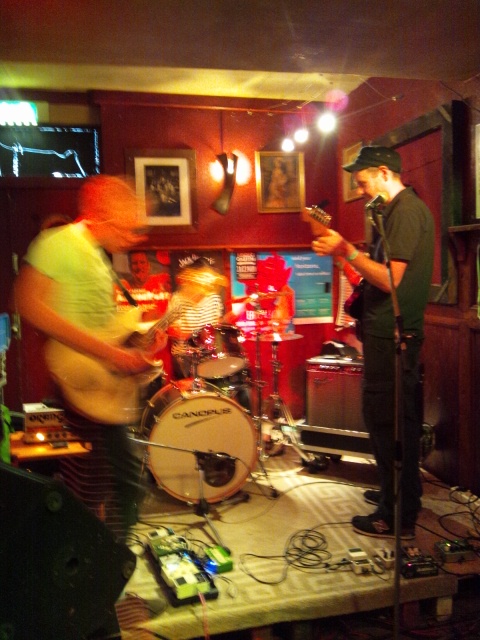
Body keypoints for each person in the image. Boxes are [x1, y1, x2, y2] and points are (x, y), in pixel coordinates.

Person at [11, 174, 167, 539]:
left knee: (117, 489)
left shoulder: (99, 258)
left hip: (100, 390)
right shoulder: (59, 243)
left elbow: (104, 328)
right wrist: (109, 353)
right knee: (107, 489)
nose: (133, 238)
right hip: (81, 390)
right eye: (127, 228)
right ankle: (97, 564)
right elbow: (26, 302)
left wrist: (140, 345)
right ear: (100, 215)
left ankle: (104, 561)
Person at [312, 146, 434, 539]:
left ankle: (396, 514)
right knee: (389, 419)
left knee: (389, 421)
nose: (360, 190)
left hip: (392, 336)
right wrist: (344, 259)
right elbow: (375, 276)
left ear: (384, 172)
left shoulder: (407, 211)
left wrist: (346, 249)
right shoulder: (392, 212)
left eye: (363, 182)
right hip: (383, 333)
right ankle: (394, 494)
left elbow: (390, 280)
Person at [167, 257, 252, 411]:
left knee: (241, 383)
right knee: (198, 401)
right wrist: (197, 333)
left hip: (208, 355)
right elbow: (172, 331)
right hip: (186, 357)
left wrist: (232, 316)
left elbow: (216, 324)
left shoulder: (212, 298)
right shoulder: (178, 299)